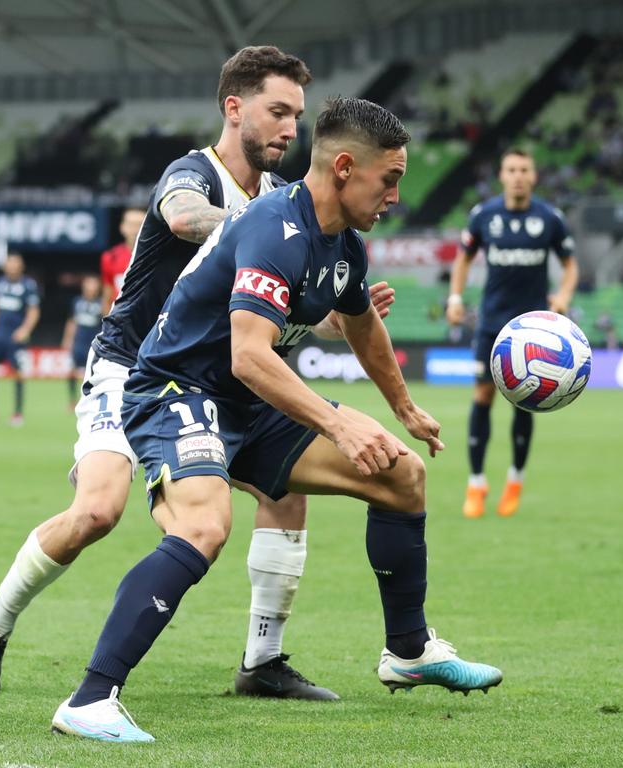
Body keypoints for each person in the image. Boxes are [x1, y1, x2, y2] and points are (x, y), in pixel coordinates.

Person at [50, 98, 502, 743]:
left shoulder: (342, 241)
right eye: (390, 179)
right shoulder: (273, 227)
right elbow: (249, 355)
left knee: (400, 476)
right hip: (177, 389)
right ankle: (90, 700)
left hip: (245, 402)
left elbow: (360, 320)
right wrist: (341, 424)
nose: (396, 196)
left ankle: (408, 651)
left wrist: (402, 409)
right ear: (344, 167)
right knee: (206, 525)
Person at [0, 46, 390, 703]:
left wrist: (340, 317)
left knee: (286, 487)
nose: (288, 129)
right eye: (277, 112)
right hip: (130, 366)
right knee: (98, 511)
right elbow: (183, 217)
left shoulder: (282, 200)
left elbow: (284, 303)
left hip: (211, 382)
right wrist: (259, 231)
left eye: (297, 116)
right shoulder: (195, 174)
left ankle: (263, 662)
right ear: (234, 108)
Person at [446, 148, 578, 519]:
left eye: (524, 169)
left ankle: (515, 479)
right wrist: (455, 297)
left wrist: (564, 295)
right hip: (492, 325)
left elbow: (570, 265)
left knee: (525, 400)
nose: (518, 175)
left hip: (534, 330)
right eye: (511, 170)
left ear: (533, 176)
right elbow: (463, 259)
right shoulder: (484, 216)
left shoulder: (549, 218)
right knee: (482, 395)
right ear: (502, 176)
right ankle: (476, 483)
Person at [0, 253, 40, 427]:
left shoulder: (28, 285)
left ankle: (18, 413)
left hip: (15, 336)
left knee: (17, 373)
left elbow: (34, 310)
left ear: (21, 267)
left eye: (15, 264)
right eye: (9, 263)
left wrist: (25, 329)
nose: (11, 267)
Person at [61, 275, 103, 409]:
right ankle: (72, 400)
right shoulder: (77, 302)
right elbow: (72, 321)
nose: (90, 288)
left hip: (93, 344)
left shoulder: (101, 304)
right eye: (88, 284)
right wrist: (67, 339)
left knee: (93, 373)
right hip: (78, 342)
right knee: (72, 372)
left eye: (93, 284)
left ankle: (91, 399)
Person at [100, 209, 146, 314]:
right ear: (122, 227)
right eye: (131, 224)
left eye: (139, 224)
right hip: (120, 319)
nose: (135, 229)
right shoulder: (110, 257)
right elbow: (107, 295)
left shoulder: (157, 256)